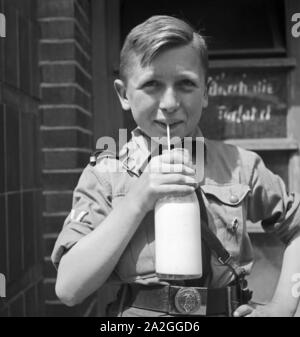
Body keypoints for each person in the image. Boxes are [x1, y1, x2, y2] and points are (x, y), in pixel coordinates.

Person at [51, 15, 300, 317]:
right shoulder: (106, 175)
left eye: (185, 84)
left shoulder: (240, 166)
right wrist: (136, 201)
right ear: (123, 94)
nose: (169, 102)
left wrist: (282, 307)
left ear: (206, 91)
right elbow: (69, 289)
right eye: (151, 85)